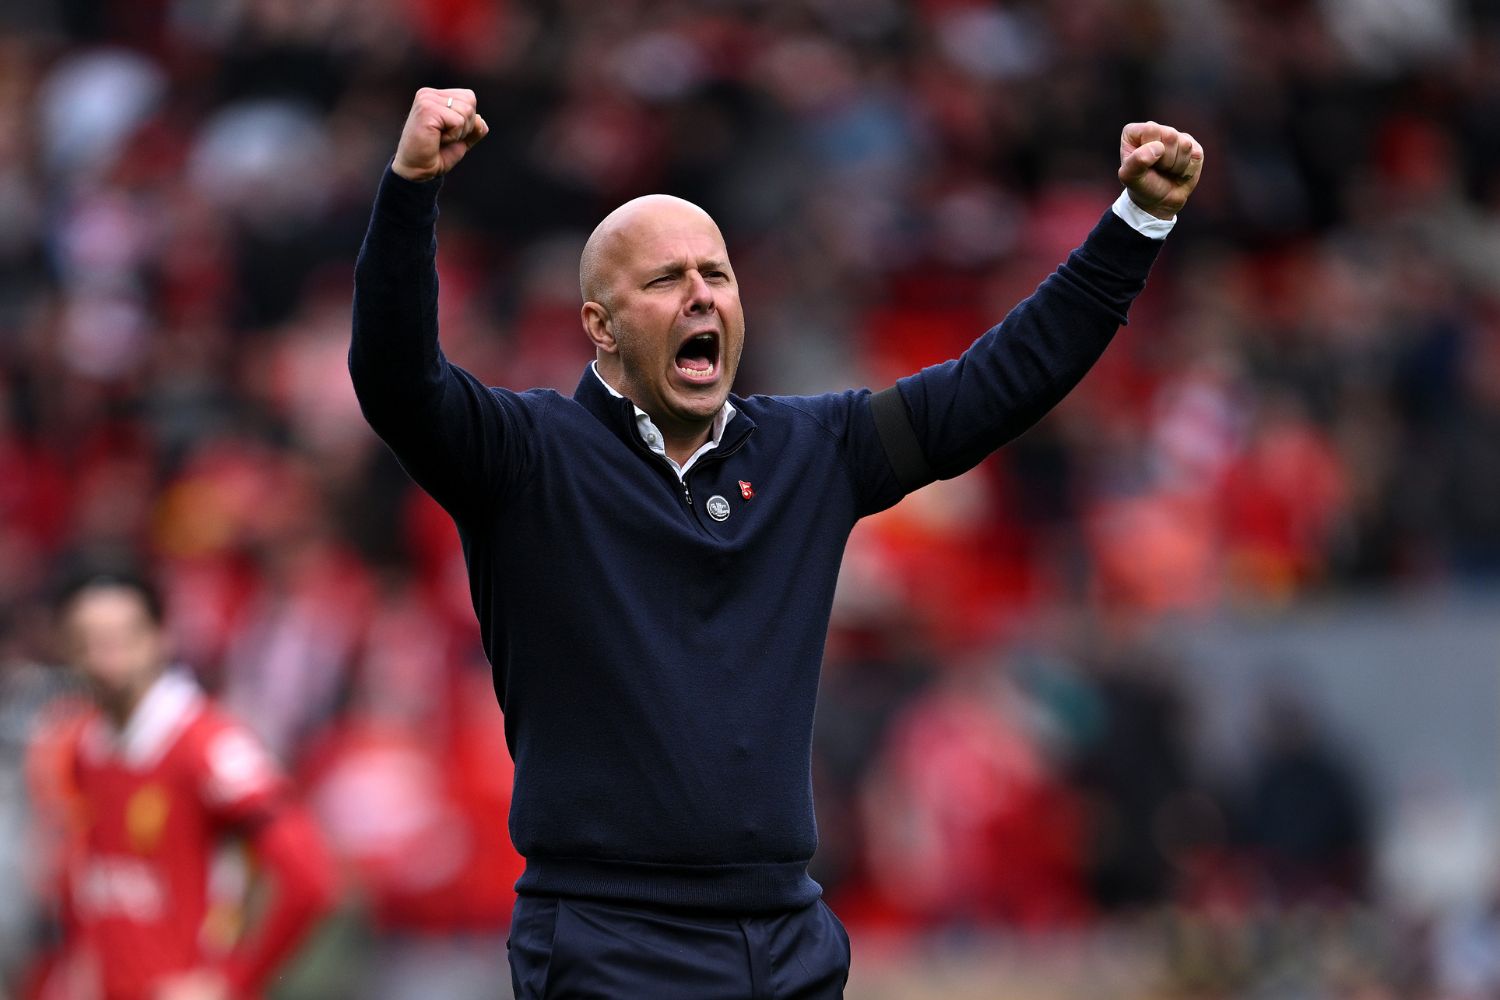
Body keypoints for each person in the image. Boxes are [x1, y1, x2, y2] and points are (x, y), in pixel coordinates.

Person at [350, 87, 1203, 999]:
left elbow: (997, 385)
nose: (701, 295)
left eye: (716, 275)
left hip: (788, 941)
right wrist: (411, 189)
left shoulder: (811, 451)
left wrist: (1138, 223)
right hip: (610, 940)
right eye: (665, 281)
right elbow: (397, 380)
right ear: (600, 325)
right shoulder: (526, 457)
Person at [24, 571, 337, 1000]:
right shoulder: (82, 748)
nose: (105, 657)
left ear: (160, 637)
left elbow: (309, 877)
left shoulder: (208, 746)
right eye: (88, 641)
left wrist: (233, 980)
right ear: (66, 649)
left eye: (121, 637)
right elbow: (88, 891)